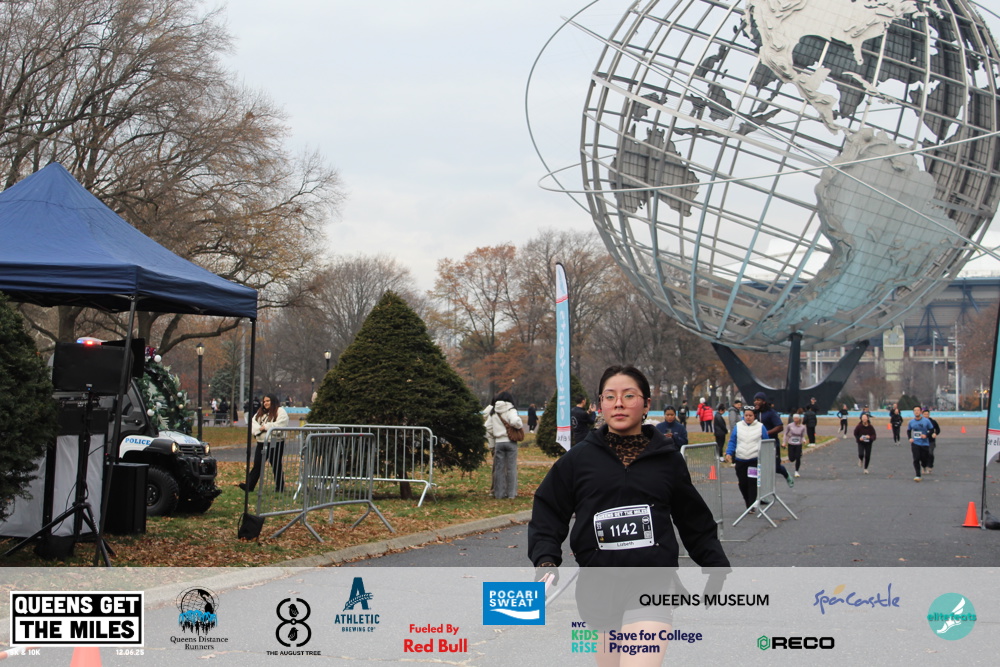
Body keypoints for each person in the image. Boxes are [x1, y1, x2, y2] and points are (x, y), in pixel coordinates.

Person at [529, 365, 729, 652]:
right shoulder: (578, 460)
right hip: (598, 586)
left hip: (652, 582)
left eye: (629, 395)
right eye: (610, 396)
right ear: (600, 404)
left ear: (646, 404)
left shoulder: (668, 460)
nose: (619, 403)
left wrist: (714, 563)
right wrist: (545, 559)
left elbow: (692, 517)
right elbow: (549, 510)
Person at [242, 394, 289, 492]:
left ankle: (280, 487)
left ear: (273, 401)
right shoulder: (260, 412)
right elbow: (254, 424)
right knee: (257, 464)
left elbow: (280, 425)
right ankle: (249, 486)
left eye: (268, 401)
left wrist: (266, 427)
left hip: (275, 442)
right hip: (261, 442)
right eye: (264, 401)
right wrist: (260, 430)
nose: (265, 403)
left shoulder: (280, 411)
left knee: (276, 465)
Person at [725, 408, 770, 509]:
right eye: (746, 415)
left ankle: (751, 505)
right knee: (743, 483)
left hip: (754, 460)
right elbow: (733, 441)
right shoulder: (738, 426)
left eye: (750, 415)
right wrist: (729, 453)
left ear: (754, 416)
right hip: (740, 459)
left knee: (752, 483)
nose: (748, 417)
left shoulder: (760, 427)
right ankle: (747, 501)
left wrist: (766, 456)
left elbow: (766, 442)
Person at [484, 391, 523, 499]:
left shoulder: (494, 411)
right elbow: (515, 421)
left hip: (498, 443)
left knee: (499, 469)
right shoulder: (510, 409)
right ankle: (511, 494)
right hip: (510, 442)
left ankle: (499, 494)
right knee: (511, 469)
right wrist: (519, 425)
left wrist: (495, 434)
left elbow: (487, 427)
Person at [753, 392, 793, 487]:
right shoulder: (755, 413)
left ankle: (786, 475)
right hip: (757, 444)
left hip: (772, 443)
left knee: (775, 467)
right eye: (755, 400)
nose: (756, 402)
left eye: (758, 400)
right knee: (757, 466)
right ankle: (760, 489)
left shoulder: (771, 413)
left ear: (764, 402)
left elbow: (780, 427)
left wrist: (766, 433)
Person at [907, 406, 934, 482]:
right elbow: (909, 430)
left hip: (924, 443)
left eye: (918, 410)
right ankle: (918, 475)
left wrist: (926, 435)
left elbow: (931, 430)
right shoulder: (911, 422)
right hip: (915, 442)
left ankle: (924, 465)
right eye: (915, 410)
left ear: (921, 412)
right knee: (916, 459)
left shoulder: (926, 421)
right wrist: (910, 438)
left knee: (924, 458)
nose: (916, 412)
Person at [785, 412, 807, 477]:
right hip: (791, 443)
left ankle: (796, 471)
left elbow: (802, 436)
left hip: (798, 444)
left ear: (799, 419)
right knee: (791, 459)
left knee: (798, 457)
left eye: (796, 418)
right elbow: (785, 434)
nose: (795, 420)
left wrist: (804, 440)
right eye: (794, 418)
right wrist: (784, 442)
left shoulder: (802, 427)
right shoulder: (790, 425)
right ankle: (793, 457)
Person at [922, 408, 941, 474]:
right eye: (925, 414)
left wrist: (935, 433)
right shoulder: (920, 422)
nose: (926, 415)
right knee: (923, 454)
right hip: (922, 441)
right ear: (922, 415)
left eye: (927, 414)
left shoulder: (933, 422)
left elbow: (938, 429)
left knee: (930, 453)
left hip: (931, 440)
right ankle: (924, 466)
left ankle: (930, 466)